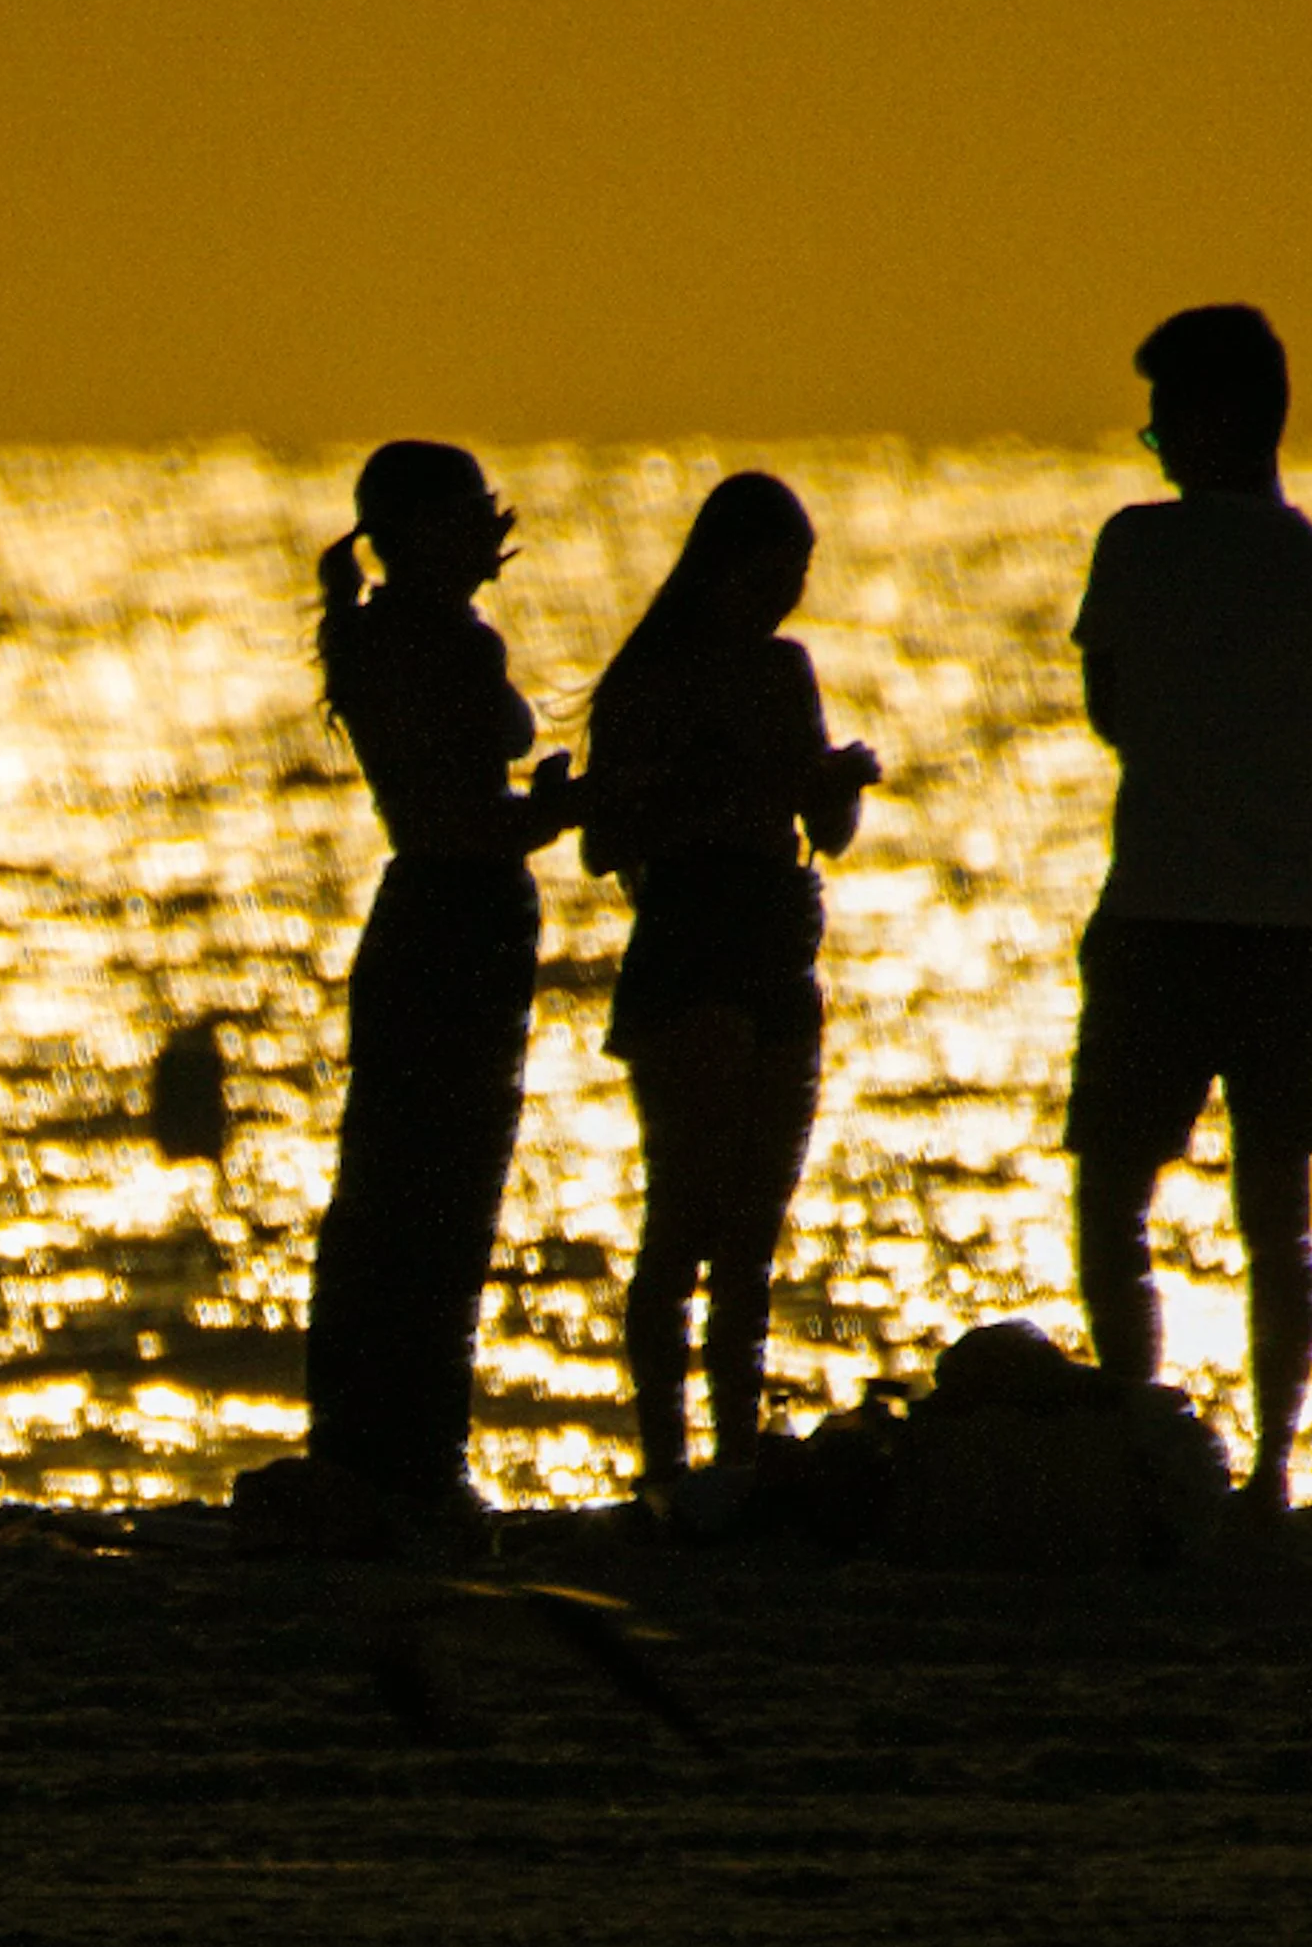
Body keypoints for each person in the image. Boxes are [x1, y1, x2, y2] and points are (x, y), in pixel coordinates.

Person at [1066, 304, 1312, 1517]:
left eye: (1162, 417)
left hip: (1160, 907)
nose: (1150, 440)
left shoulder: (1136, 550)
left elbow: (1112, 711)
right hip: (1291, 926)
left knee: (1111, 1184)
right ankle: (1268, 1466)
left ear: (1210, 420)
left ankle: (1140, 1426)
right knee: (1275, 1214)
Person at [584, 472, 881, 1503]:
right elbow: (604, 841)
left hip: (778, 948)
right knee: (683, 1218)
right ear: (722, 564)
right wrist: (728, 788)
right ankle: (665, 1460)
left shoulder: (784, 669)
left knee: (751, 1230)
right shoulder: (651, 679)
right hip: (689, 948)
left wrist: (832, 786)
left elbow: (825, 835)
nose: (785, 596)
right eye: (771, 572)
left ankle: (738, 1457)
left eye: (797, 576)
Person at [304, 441, 578, 1515]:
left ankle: (360, 1436)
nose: (486, 532)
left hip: (415, 913)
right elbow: (470, 822)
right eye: (467, 515)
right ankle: (423, 1451)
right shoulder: (452, 645)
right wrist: (564, 811)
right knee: (447, 1194)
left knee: (379, 1189)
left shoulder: (372, 640)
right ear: (418, 531)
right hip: (464, 921)